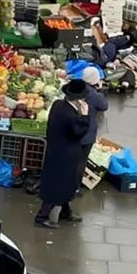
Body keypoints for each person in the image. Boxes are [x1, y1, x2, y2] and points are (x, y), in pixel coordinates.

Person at [35, 81, 90, 229]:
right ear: (78, 100)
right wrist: (84, 117)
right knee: (58, 185)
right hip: (65, 155)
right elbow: (78, 132)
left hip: (56, 151)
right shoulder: (70, 116)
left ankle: (66, 211)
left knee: (67, 183)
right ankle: (42, 216)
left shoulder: (58, 105)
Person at [77, 67, 108, 188]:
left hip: (73, 129)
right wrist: (101, 91)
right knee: (81, 160)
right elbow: (104, 106)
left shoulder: (76, 89)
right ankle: (75, 185)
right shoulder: (95, 95)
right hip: (87, 133)